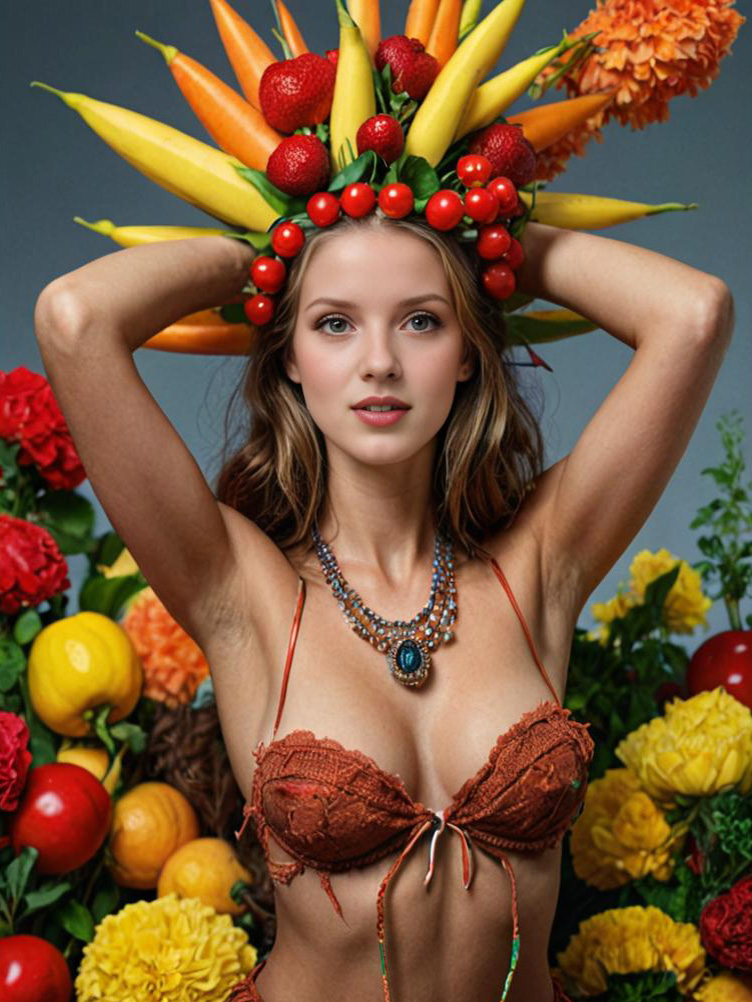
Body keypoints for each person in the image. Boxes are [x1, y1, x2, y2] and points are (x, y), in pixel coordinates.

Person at [34, 212, 734, 1002]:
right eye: (334, 323)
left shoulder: (541, 566)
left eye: (422, 321)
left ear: (469, 351)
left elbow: (692, 313)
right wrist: (276, 249)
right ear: (290, 356)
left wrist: (481, 238)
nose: (379, 363)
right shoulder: (240, 590)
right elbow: (74, 319)